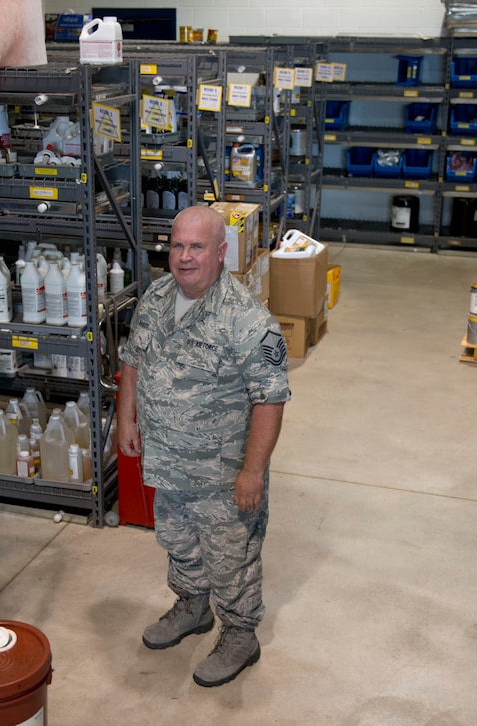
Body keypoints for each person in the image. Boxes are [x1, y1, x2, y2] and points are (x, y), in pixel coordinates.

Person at [117, 205, 290, 687]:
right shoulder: (156, 296)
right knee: (177, 542)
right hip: (168, 463)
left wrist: (252, 472)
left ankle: (240, 634)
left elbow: (270, 400)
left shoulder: (248, 321)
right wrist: (126, 418)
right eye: (177, 245)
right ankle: (193, 606)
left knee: (231, 557)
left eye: (197, 247)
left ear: (220, 253)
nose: (185, 257)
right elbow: (133, 359)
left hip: (221, 474)